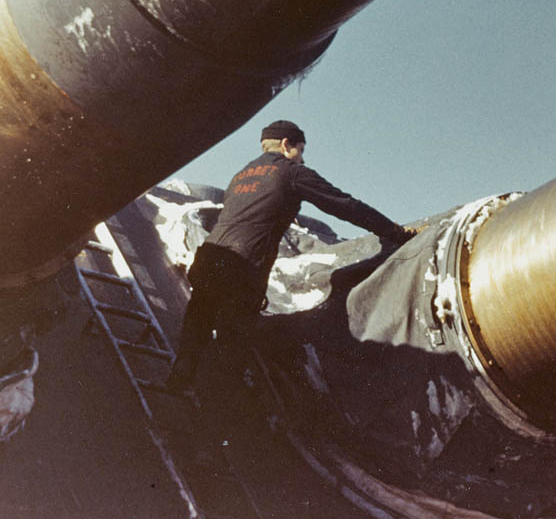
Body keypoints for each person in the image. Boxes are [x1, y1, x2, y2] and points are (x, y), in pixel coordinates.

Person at [167, 120, 412, 389]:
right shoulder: (291, 172)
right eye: (301, 150)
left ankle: (179, 379)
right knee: (233, 345)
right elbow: (344, 205)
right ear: (286, 145)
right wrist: (393, 231)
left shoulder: (240, 176)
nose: (302, 158)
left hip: (209, 262)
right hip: (245, 267)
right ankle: (222, 410)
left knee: (198, 322)